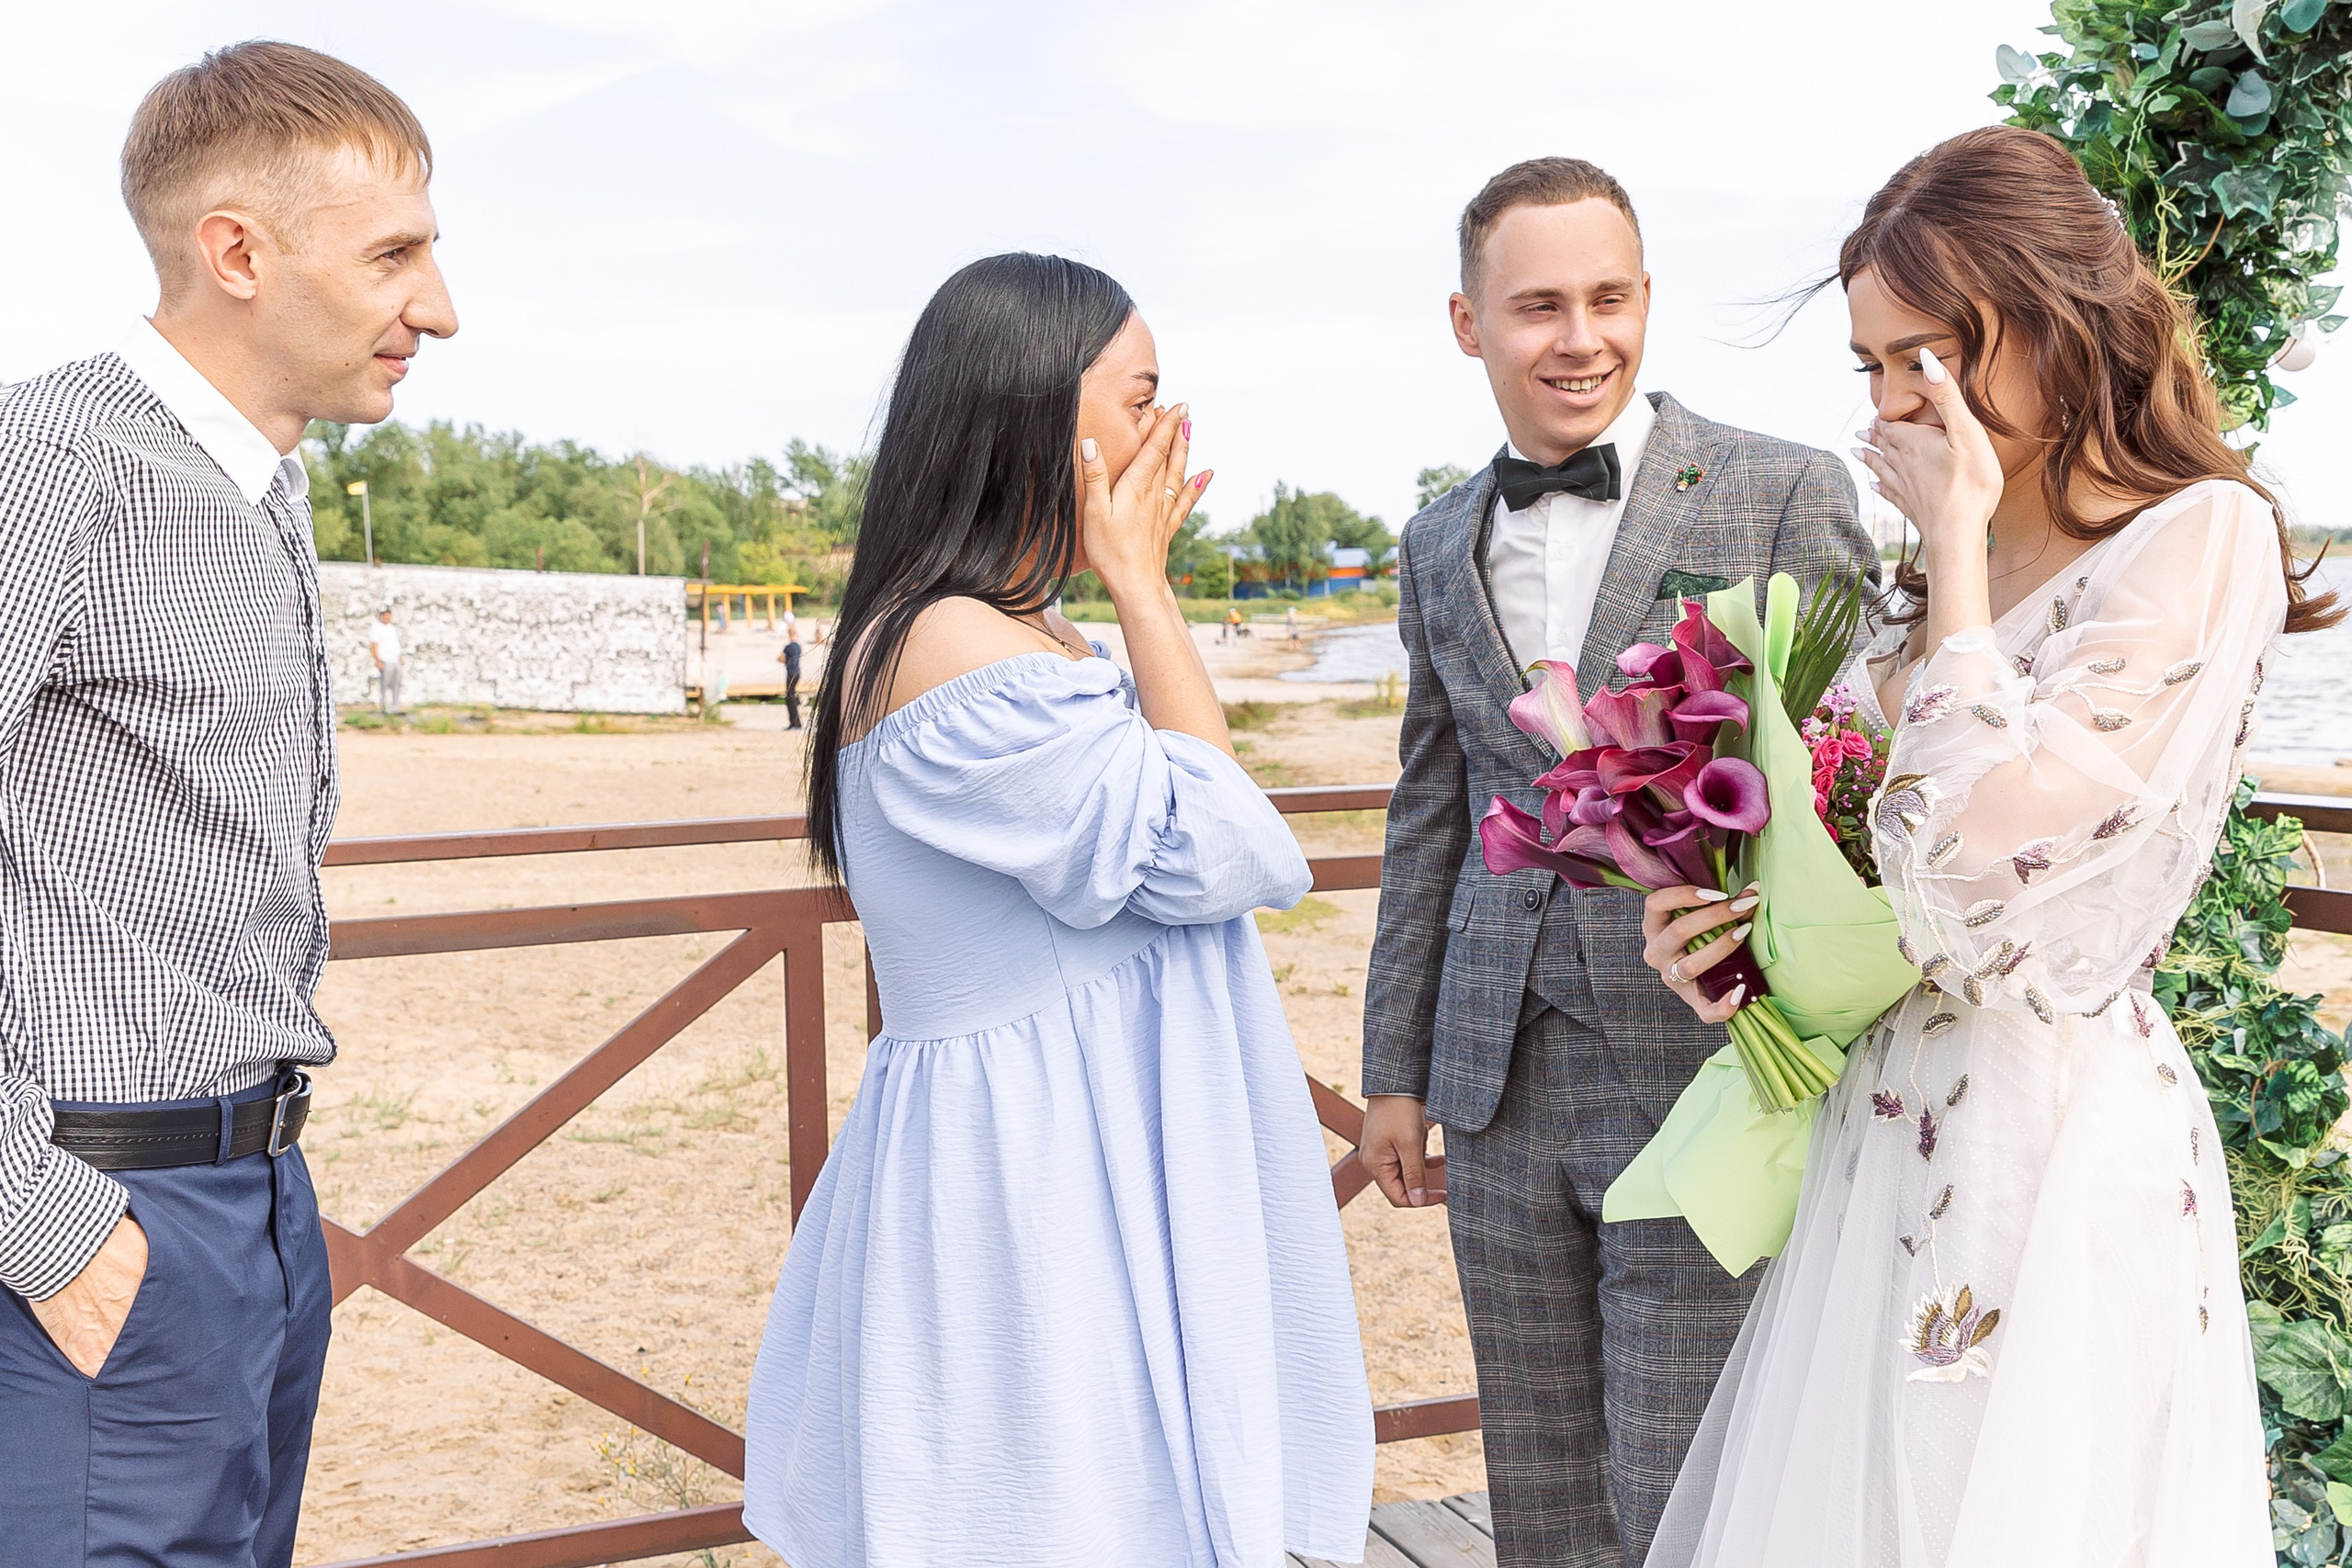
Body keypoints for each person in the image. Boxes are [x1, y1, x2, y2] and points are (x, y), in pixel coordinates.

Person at [1638, 126, 2322, 1566]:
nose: (1895, 404)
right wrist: (1730, 941)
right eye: (1873, 367)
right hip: (1877, 1133)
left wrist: (1950, 550)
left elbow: (1979, 881)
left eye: (1929, 355)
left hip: (2052, 1135)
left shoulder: (2199, 542)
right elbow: (1841, 843)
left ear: (2053, 317)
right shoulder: (1917, 577)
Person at [742, 254, 1374, 1565]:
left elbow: (1203, 814)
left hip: (1080, 1135)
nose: (1168, 435)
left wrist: (1129, 605)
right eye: (1141, 399)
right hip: (1033, 1166)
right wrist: (1145, 586)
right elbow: (1223, 846)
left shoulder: (1023, 635)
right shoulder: (949, 641)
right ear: (1038, 413)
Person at [1357, 156, 1877, 1568]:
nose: (1578, 338)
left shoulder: (1782, 489)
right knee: (1540, 1487)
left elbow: (1856, 779)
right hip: (1500, 1073)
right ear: (1470, 324)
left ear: (1646, 299)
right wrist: (1394, 1068)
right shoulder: (1432, 539)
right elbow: (1432, 810)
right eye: (1536, 306)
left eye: (1607, 298)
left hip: (1710, 1066)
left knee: (1684, 1485)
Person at [0, 41, 455, 1567]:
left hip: (257, 1206)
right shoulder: (45, 462)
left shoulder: (269, 481)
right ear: (237, 252)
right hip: (90, 1209)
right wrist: (37, 1221)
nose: (438, 306)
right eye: (395, 253)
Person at [369, 604, 404, 714]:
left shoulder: (391, 628)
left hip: (395, 659)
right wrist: (378, 660)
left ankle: (395, 707)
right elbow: (374, 645)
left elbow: (395, 644)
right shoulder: (376, 628)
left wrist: (400, 657)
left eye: (388, 616)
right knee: (385, 684)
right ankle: (385, 708)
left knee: (396, 684)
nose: (387, 618)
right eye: (385, 616)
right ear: (381, 616)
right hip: (385, 660)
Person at [776, 614, 803, 729]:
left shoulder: (788, 647)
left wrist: (786, 661)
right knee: (792, 696)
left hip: (791, 673)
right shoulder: (798, 646)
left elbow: (780, 658)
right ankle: (796, 722)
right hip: (797, 672)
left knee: (790, 697)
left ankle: (795, 722)